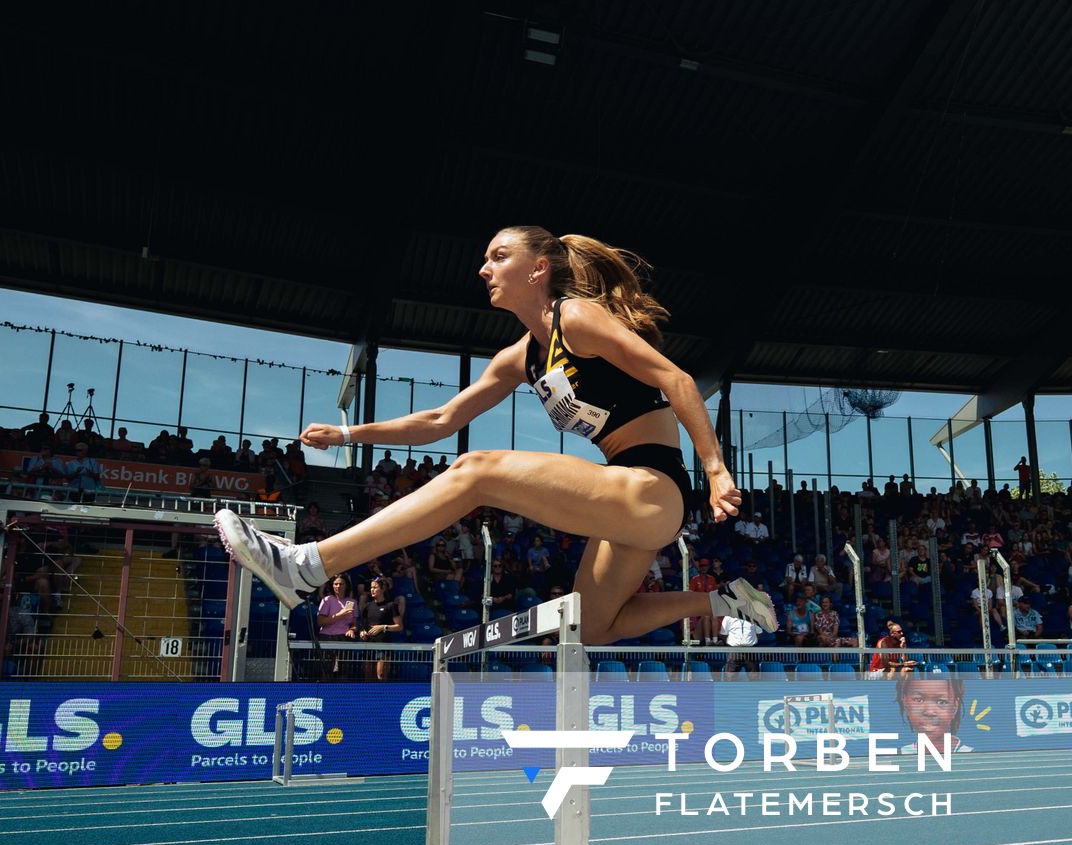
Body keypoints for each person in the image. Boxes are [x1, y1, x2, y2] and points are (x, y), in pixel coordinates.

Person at [212, 227, 775, 644]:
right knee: (590, 627)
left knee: (477, 471)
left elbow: (675, 378)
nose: (484, 268)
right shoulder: (519, 358)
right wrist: (348, 431)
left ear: (538, 269)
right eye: (485, 258)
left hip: (656, 487)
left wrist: (715, 469)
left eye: (499, 256)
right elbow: (439, 421)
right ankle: (721, 600)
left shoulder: (576, 318)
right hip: (625, 499)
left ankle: (308, 566)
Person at [896, 678, 970, 754]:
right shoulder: (897, 758)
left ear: (955, 707)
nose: (929, 712)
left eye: (941, 702)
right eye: (919, 700)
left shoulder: (974, 757)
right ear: (905, 702)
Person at [353, 576, 404, 682]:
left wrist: (382, 627)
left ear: (382, 589)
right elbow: (363, 625)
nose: (372, 589)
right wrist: (362, 632)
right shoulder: (367, 606)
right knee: (368, 677)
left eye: (375, 587)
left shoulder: (391, 606)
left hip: (383, 645)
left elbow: (399, 626)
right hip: (369, 645)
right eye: (371, 587)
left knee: (380, 676)